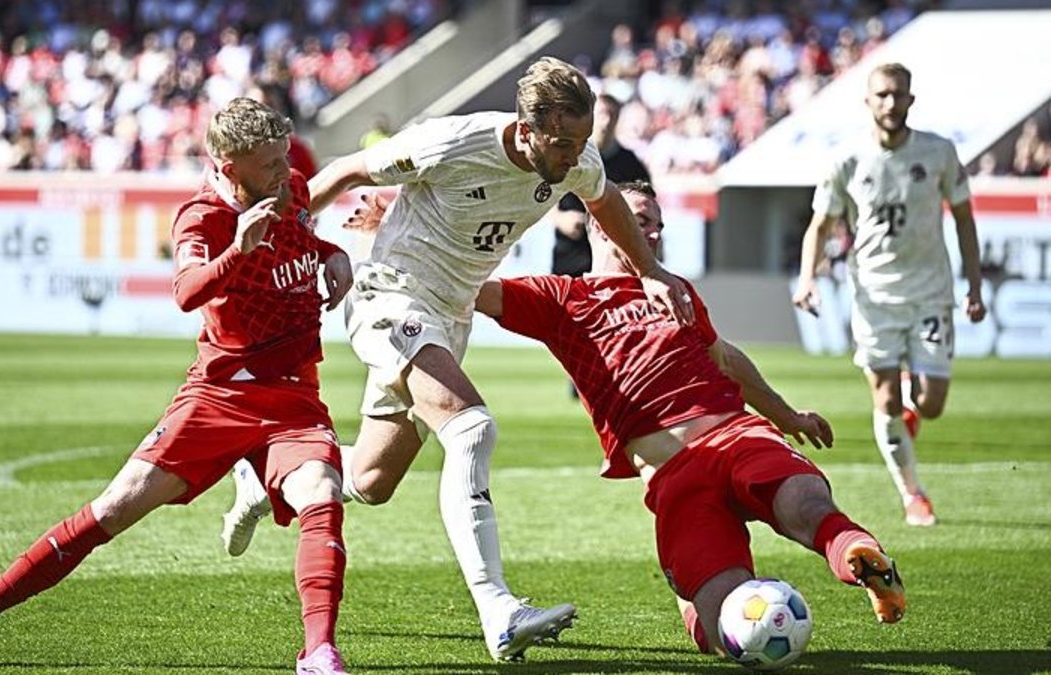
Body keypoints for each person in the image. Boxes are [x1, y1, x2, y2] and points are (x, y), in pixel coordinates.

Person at [223, 56, 694, 662]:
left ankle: (263, 476)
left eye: (581, 141)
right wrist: (289, 237)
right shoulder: (451, 141)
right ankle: (498, 609)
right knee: (472, 428)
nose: (574, 156)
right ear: (527, 129)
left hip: (448, 317)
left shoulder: (580, 159)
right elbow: (345, 170)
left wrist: (651, 271)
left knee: (370, 480)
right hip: (389, 297)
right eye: (563, 142)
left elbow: (604, 202)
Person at [0, 98, 356, 675]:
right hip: (219, 397)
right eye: (269, 164)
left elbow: (306, 244)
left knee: (323, 494)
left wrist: (334, 257)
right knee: (108, 510)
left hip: (293, 397)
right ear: (228, 166)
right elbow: (187, 292)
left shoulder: (294, 191)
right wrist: (239, 248)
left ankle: (318, 652)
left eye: (284, 157)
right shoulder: (201, 217)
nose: (286, 172)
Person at [476, 180, 906, 656]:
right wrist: (387, 238)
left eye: (657, 226)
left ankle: (863, 560)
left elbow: (724, 358)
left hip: (737, 435)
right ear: (602, 225)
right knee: (728, 634)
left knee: (804, 502)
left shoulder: (673, 289)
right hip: (675, 479)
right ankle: (698, 609)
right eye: (640, 222)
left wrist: (786, 415)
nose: (652, 235)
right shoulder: (561, 299)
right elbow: (473, 291)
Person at [792, 63, 986, 527]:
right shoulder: (847, 159)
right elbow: (821, 225)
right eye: (881, 95)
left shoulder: (938, 153)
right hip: (873, 296)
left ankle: (911, 406)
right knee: (884, 399)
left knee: (932, 402)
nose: (890, 103)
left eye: (898, 95)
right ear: (868, 101)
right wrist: (808, 278)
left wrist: (974, 285)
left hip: (931, 294)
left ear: (911, 100)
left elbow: (963, 217)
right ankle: (913, 495)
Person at [551, 92, 652, 279]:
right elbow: (544, 190)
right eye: (603, 114)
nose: (607, 121)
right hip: (571, 256)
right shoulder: (570, 154)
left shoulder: (631, 164)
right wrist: (559, 218)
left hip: (613, 259)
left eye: (613, 115)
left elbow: (647, 205)